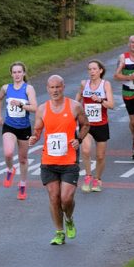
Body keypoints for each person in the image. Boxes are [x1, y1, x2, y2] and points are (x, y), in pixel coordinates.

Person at [30, 74, 89, 245]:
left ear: (63, 87)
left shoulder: (74, 106)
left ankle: (69, 218)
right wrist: (34, 137)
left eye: (58, 87)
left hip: (69, 160)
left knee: (66, 198)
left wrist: (78, 139)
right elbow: (38, 129)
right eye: (52, 87)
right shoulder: (42, 109)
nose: (55, 90)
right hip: (48, 161)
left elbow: (86, 124)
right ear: (47, 89)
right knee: (54, 197)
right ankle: (59, 232)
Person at [0, 62, 38, 199]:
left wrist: (21, 104)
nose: (17, 75)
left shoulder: (28, 89)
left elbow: (35, 107)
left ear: (24, 73)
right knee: (8, 153)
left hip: (24, 127)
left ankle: (23, 184)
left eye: (20, 72)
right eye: (14, 72)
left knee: (23, 159)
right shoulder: (6, 88)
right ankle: (10, 169)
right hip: (9, 125)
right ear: (11, 74)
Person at [77, 59, 116, 192]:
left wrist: (100, 100)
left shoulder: (106, 85)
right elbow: (77, 101)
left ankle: (97, 179)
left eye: (94, 69)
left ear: (100, 71)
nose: (92, 71)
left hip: (101, 124)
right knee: (86, 150)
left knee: (100, 156)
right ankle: (88, 176)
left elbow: (111, 105)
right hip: (86, 124)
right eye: (90, 69)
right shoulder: (84, 84)